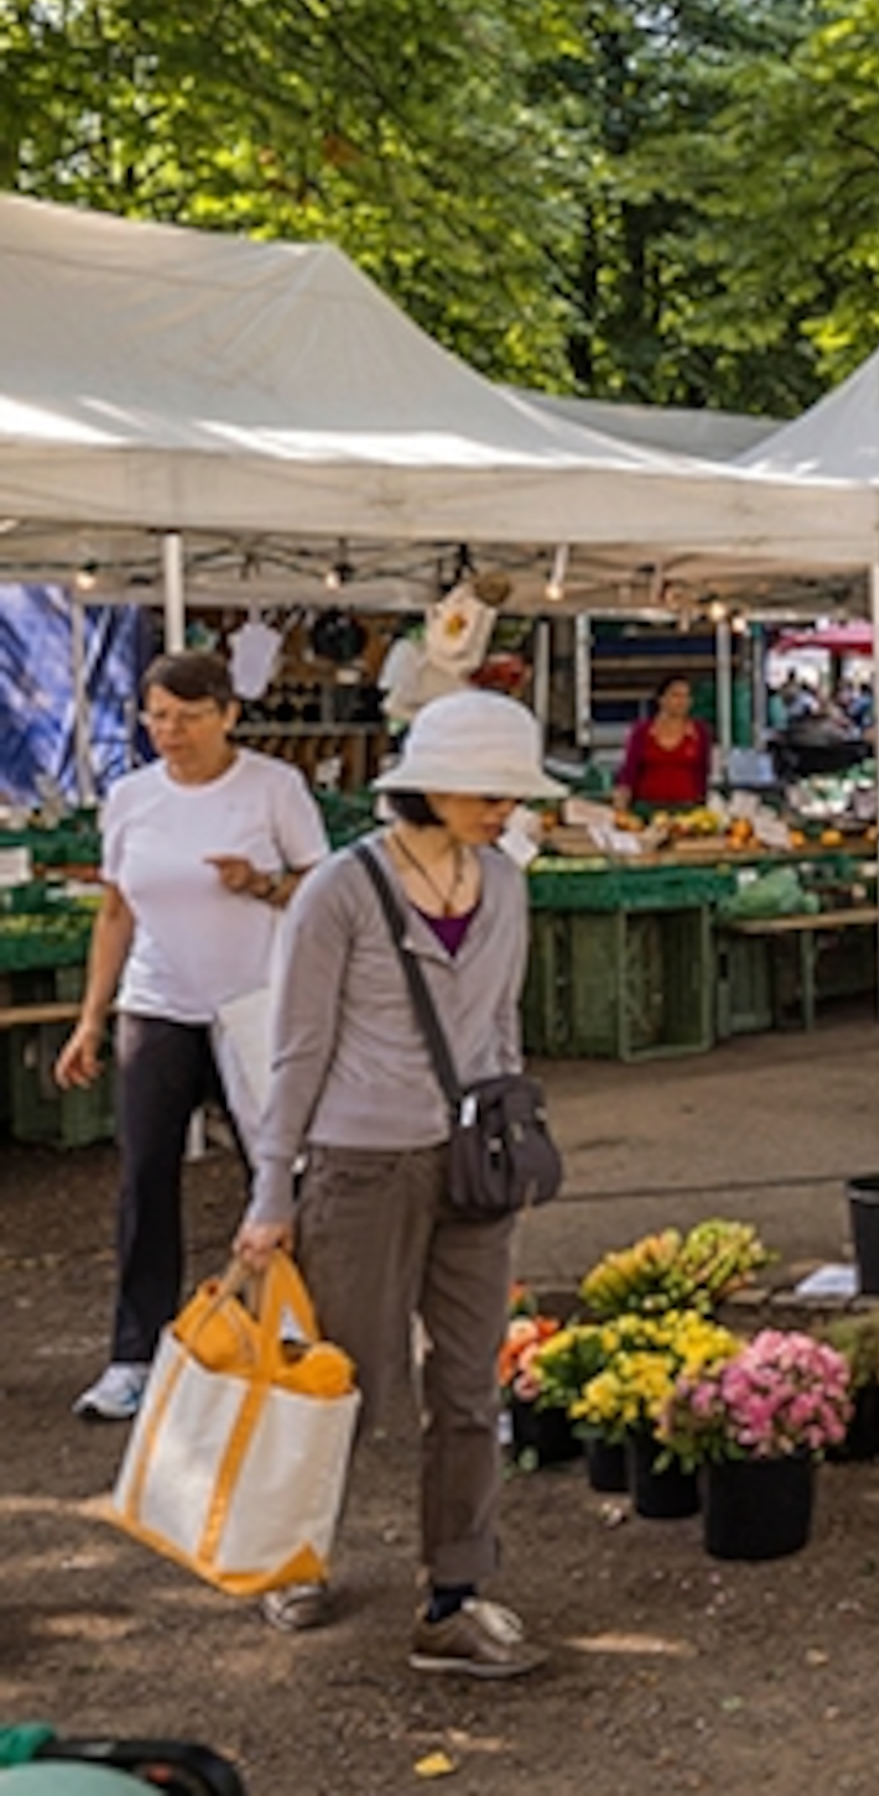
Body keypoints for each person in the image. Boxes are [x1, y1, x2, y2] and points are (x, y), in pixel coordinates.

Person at [230, 689, 560, 1673]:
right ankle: (293, 1555)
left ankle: (456, 1594)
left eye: (512, 795)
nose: (504, 810)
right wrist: (271, 1191)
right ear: (428, 785)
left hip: (473, 1162)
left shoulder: (505, 881)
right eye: (488, 791)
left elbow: (501, 1022)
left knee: (467, 1383)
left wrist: (510, 1127)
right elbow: (296, 1049)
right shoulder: (339, 888)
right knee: (347, 1383)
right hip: (358, 1164)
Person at [59, 652, 331, 1424]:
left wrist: (263, 885)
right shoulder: (131, 798)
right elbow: (116, 912)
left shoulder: (275, 788)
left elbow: (323, 886)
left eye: (187, 716)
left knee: (276, 1166)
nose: (169, 732)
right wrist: (92, 1017)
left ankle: (292, 1324)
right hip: (158, 1003)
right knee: (145, 1174)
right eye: (156, 717)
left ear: (229, 715)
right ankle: (135, 1354)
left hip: (256, 1003)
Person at [611, 675, 712, 812]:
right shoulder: (642, 732)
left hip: (687, 809)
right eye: (676, 695)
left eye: (686, 696)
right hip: (647, 808)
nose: (682, 701)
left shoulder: (699, 732)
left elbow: (703, 772)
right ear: (661, 699)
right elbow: (629, 771)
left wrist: (703, 807)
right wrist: (621, 803)